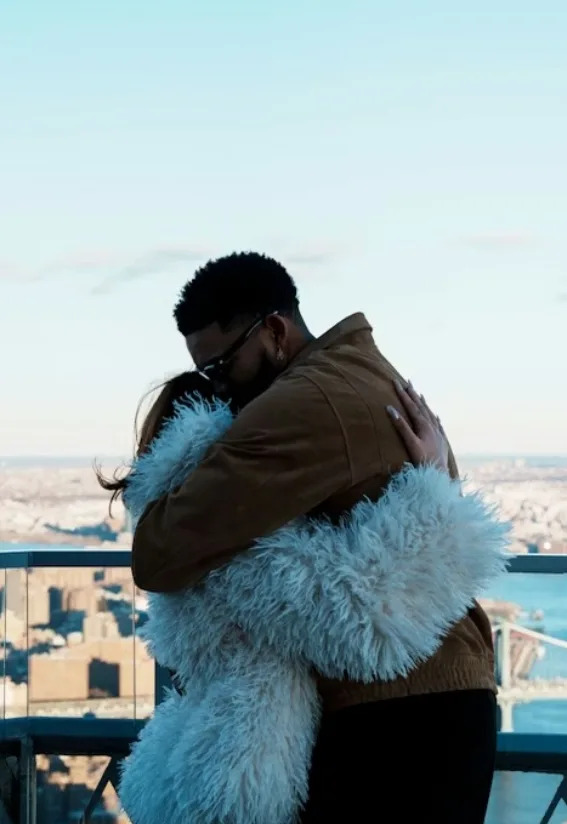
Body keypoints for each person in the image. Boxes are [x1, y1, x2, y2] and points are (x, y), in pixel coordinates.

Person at [130, 252, 502, 823]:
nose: (219, 386)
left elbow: (160, 551)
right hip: (441, 697)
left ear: (275, 331)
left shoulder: (301, 403)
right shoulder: (369, 373)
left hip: (397, 716)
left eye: (223, 366)